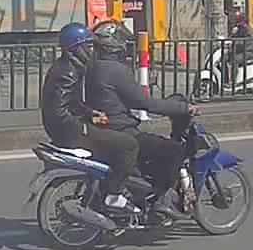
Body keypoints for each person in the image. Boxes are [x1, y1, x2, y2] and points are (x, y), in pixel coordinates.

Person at [85, 20, 198, 220]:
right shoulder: (116, 71)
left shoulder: (92, 67)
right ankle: (161, 200)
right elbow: (145, 103)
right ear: (116, 45)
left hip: (102, 129)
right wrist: (181, 108)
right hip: (121, 130)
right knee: (175, 150)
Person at [41, 22, 141, 231]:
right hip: (70, 132)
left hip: (69, 128)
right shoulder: (66, 72)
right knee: (128, 144)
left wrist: (90, 114)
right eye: (87, 46)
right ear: (75, 48)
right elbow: (58, 111)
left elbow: (72, 103)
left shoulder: (70, 68)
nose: (91, 50)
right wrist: (83, 127)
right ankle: (114, 196)